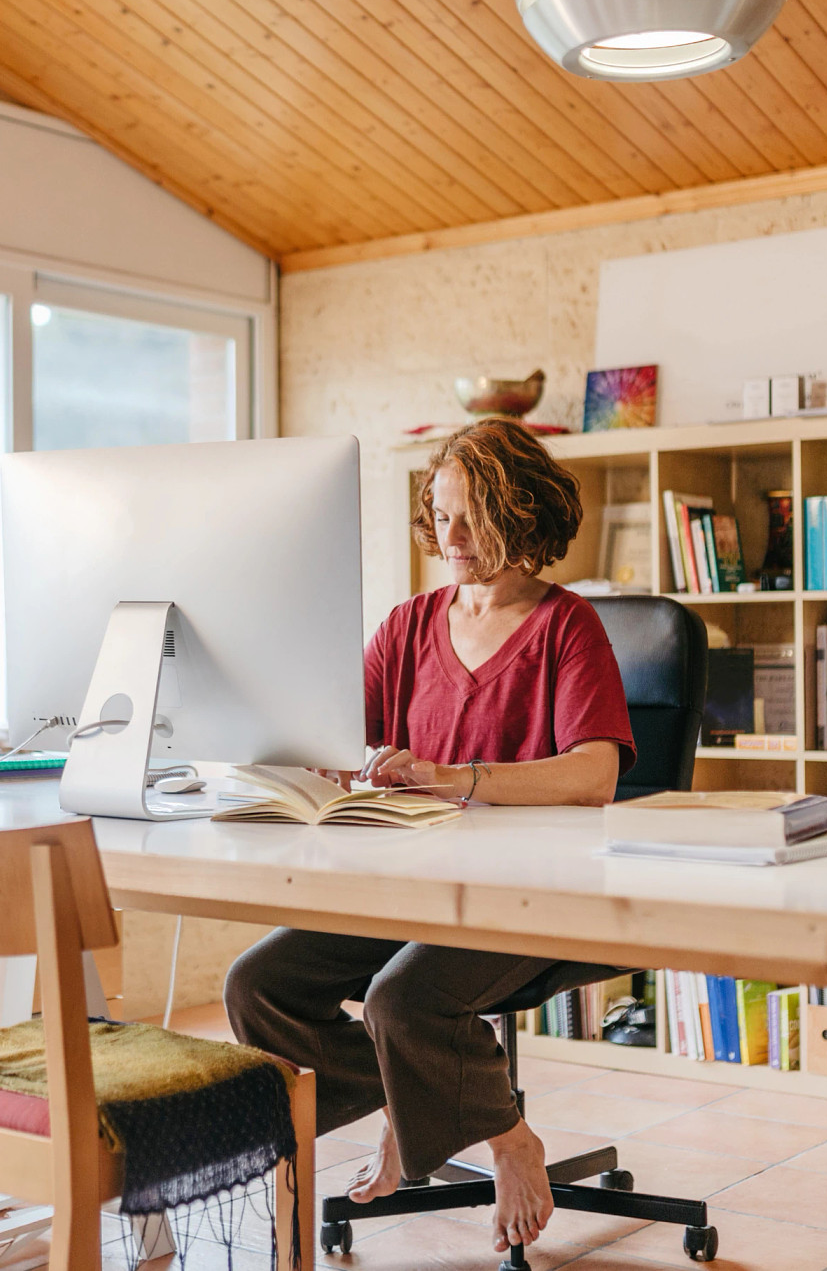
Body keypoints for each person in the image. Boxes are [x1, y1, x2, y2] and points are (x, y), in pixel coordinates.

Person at [223, 417, 636, 1255]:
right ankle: (417, 1103)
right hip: (407, 884)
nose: (447, 536)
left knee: (401, 1000)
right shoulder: (408, 626)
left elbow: (595, 773)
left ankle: (508, 1137)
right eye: (439, 514)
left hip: (529, 897)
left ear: (521, 514)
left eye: (470, 517)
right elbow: (338, 737)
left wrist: (457, 775)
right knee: (256, 984)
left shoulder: (568, 627)